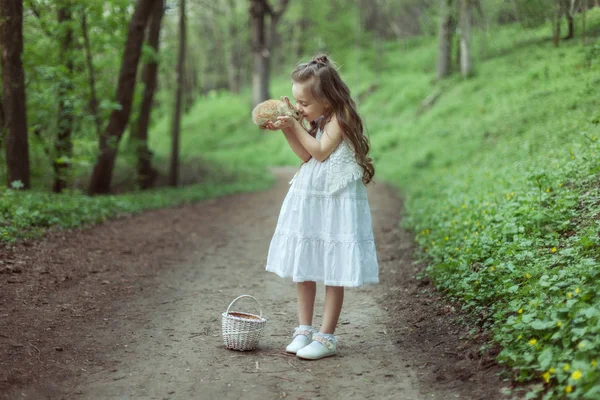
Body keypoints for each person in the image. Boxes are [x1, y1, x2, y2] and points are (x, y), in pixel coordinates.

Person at [264, 54, 379, 360]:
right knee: (305, 263)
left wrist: (294, 123)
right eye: (297, 102)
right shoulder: (318, 119)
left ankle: (326, 336)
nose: (299, 108)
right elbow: (305, 156)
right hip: (311, 198)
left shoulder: (341, 118)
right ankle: (304, 328)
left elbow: (320, 151)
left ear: (327, 100)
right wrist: (289, 128)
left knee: (332, 266)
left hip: (335, 201)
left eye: (304, 103)